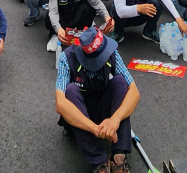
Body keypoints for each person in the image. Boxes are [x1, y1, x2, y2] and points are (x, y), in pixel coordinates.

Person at [55, 26, 138, 173]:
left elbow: (134, 92)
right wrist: (95, 129)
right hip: (80, 115)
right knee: (70, 91)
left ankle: (118, 155)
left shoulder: (112, 53)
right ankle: (98, 161)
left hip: (103, 111)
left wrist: (115, 120)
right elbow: (60, 104)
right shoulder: (67, 58)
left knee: (120, 82)